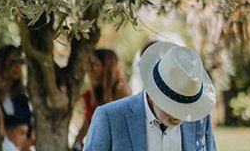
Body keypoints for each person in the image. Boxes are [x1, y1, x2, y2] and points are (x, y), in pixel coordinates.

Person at [84, 41, 217, 151]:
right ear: (154, 93)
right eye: (173, 107)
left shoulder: (200, 120)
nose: (179, 116)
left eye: (184, 108)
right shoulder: (109, 117)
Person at [71, 49, 131, 151]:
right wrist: (76, 143)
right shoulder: (93, 92)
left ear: (107, 67)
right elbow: (88, 121)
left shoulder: (121, 91)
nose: (89, 68)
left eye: (94, 64)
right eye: (88, 63)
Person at [0, 45, 35, 151]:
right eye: (12, 62)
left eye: (19, 62)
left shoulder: (24, 95)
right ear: (2, 65)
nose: (16, 67)